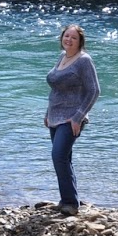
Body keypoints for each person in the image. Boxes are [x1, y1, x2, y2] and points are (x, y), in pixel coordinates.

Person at [44, 23, 99, 216]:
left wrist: (78, 117)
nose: (69, 40)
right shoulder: (62, 57)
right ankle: (67, 199)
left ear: (80, 41)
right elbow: (56, 90)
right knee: (64, 159)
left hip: (72, 118)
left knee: (58, 155)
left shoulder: (84, 60)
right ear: (62, 38)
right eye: (66, 36)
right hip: (55, 116)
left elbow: (94, 91)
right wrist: (47, 113)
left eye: (74, 37)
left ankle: (71, 203)